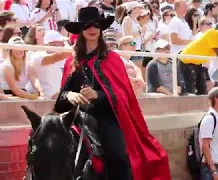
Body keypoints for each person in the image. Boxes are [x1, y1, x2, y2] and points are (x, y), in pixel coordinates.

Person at [54, 7, 171, 180]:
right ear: (80, 30)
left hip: (107, 117)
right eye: (87, 26)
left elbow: (123, 96)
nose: (92, 29)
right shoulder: (72, 61)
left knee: (120, 157)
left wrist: (98, 95)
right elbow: (60, 100)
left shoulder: (112, 59)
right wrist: (69, 95)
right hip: (78, 116)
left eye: (95, 25)